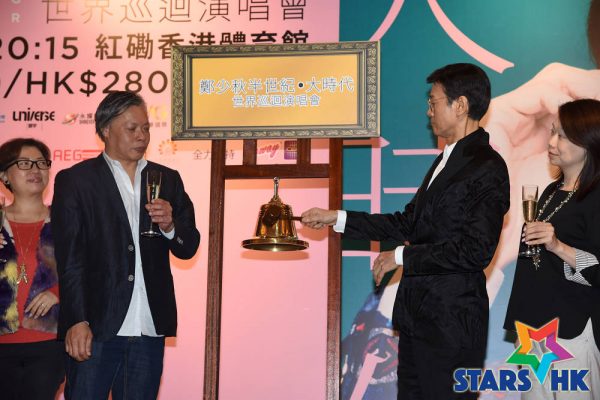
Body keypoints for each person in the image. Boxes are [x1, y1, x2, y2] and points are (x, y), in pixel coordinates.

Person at [302, 63, 510, 399]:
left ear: (460, 105)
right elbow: (407, 222)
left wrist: (401, 256)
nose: (428, 111)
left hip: (451, 324)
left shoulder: (487, 166)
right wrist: (336, 218)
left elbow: (476, 250)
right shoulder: (446, 160)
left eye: (433, 102)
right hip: (418, 319)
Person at [51, 91, 200, 399]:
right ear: (106, 129)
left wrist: (170, 226)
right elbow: (70, 259)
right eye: (132, 128)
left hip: (148, 326)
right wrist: (76, 320)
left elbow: (188, 247)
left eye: (146, 128)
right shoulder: (76, 181)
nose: (142, 136)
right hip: (96, 326)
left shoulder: (167, 179)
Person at [504, 99, 600, 399]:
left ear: (589, 142)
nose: (552, 142)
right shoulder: (549, 192)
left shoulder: (596, 197)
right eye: (552, 132)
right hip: (534, 331)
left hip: (573, 329)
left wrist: (558, 246)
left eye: (564, 136)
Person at [0, 138, 64, 400]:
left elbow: (91, 269)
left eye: (41, 163)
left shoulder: (65, 220)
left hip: (48, 343)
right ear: (5, 175)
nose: (35, 169)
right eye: (24, 163)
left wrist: (58, 292)